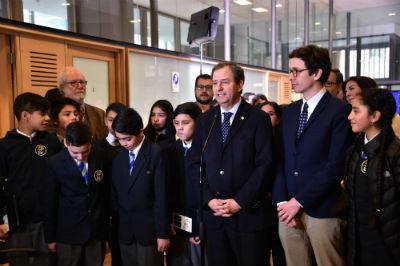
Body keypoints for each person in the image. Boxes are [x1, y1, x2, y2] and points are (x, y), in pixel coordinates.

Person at [272, 44, 353, 266]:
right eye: (290, 70)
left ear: (316, 73)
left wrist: (299, 201)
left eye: (297, 71)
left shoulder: (340, 111)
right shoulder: (288, 112)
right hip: (287, 210)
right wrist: (282, 202)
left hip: (323, 209)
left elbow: (335, 165)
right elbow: (279, 160)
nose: (291, 77)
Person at [188, 62, 273, 266]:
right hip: (215, 218)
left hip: (248, 216)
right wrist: (208, 199)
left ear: (240, 84)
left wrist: (238, 202)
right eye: (215, 83)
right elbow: (193, 163)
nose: (218, 88)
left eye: (224, 82)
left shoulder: (258, 119)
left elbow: (265, 165)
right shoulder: (205, 120)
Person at [0, 92, 62, 266]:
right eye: (42, 114)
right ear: (25, 115)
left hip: (47, 222)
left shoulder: (51, 142)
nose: (47, 118)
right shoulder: (4, 146)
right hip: (17, 224)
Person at [345, 88, 400, 266]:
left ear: (374, 116)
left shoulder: (394, 153)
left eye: (355, 111)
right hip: (358, 241)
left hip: (387, 246)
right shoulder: (355, 150)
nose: (349, 117)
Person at [44, 122, 110, 266]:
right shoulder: (54, 163)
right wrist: (50, 237)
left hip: (95, 233)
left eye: (85, 151)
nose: (80, 157)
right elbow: (50, 202)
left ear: (91, 141)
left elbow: (105, 194)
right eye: (75, 153)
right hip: (68, 234)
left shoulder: (101, 157)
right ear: (66, 143)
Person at [111, 108, 170, 266]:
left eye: (127, 139)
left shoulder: (156, 153)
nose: (123, 143)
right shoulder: (118, 155)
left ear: (140, 131)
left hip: (149, 231)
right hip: (125, 231)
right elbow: (115, 193)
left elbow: (162, 197)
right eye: (119, 139)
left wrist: (163, 234)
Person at [166, 102, 205, 266]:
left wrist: (199, 227)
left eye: (186, 122)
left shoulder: (207, 150)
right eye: (176, 123)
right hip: (175, 221)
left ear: (197, 122)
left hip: (200, 219)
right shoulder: (169, 151)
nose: (180, 128)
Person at [93, 102, 127, 266]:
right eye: (110, 119)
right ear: (105, 121)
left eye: (117, 119)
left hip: (125, 208)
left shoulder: (129, 147)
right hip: (104, 208)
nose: (113, 124)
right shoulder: (96, 147)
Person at [257, 101, 286, 266]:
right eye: (262, 114)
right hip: (259, 205)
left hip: (280, 203)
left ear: (279, 118)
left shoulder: (282, 142)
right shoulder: (255, 140)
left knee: (280, 248)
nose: (265, 118)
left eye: (270, 114)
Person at [58, 66, 108, 141]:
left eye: (82, 82)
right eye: (73, 83)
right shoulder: (53, 115)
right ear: (62, 88)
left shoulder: (100, 114)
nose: (80, 86)